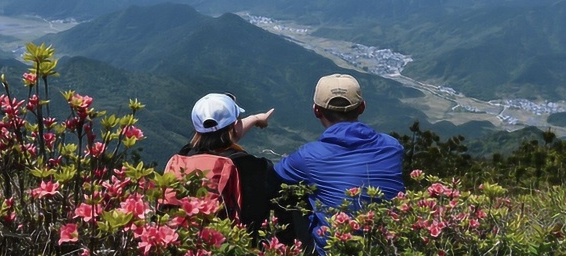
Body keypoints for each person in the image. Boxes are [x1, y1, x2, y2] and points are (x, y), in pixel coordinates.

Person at [274, 74, 405, 255]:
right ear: (362, 107)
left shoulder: (309, 156)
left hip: (336, 250)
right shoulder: (392, 147)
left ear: (316, 111)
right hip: (392, 248)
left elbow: (273, 174)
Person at [172, 92, 279, 240]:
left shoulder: (184, 156)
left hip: (180, 242)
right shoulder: (251, 166)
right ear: (235, 125)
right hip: (225, 246)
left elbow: (224, 134)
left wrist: (255, 119)